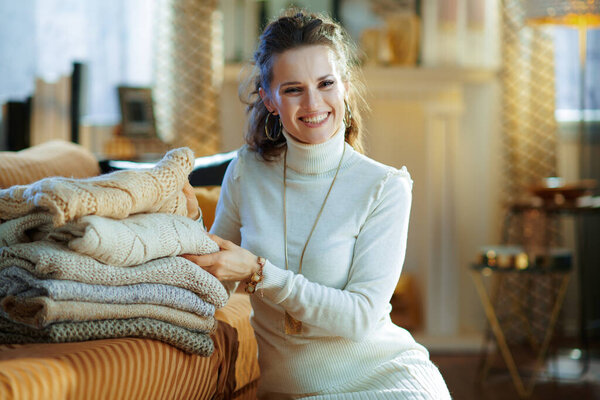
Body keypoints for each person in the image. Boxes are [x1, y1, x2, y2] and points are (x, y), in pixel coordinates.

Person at [183, 9, 451, 399]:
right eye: (293, 89)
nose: (313, 102)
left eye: (325, 83)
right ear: (269, 99)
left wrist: (260, 273)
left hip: (389, 380)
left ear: (344, 86)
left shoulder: (385, 187)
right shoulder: (246, 172)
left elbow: (360, 318)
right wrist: (178, 235)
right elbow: (212, 281)